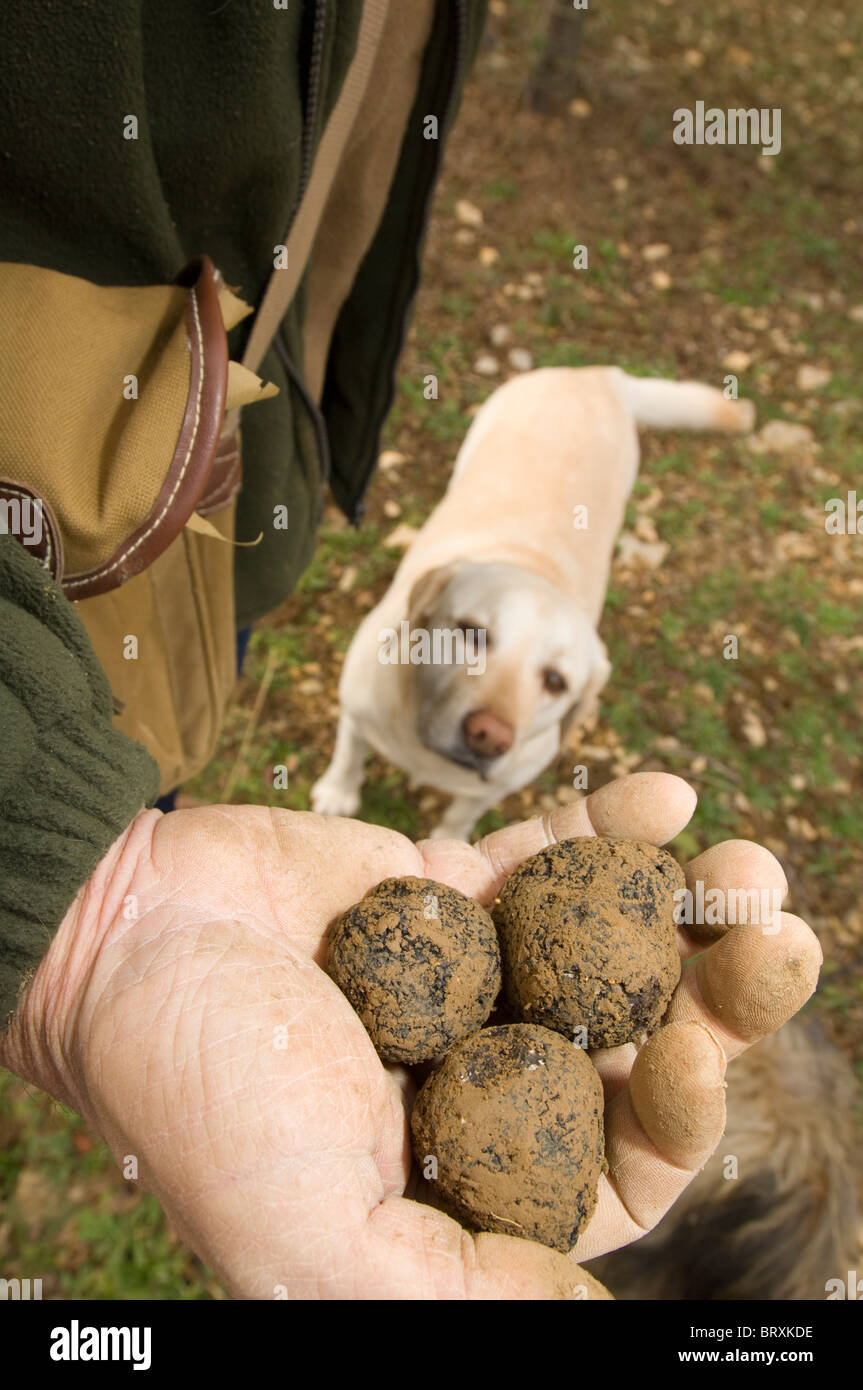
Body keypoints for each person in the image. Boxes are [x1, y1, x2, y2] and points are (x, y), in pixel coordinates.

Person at [0, 3, 822, 1298]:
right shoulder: (417, 607)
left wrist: (103, 921)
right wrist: (89, 911)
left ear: (582, 685)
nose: (499, 716)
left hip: (249, 393)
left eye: (551, 687)